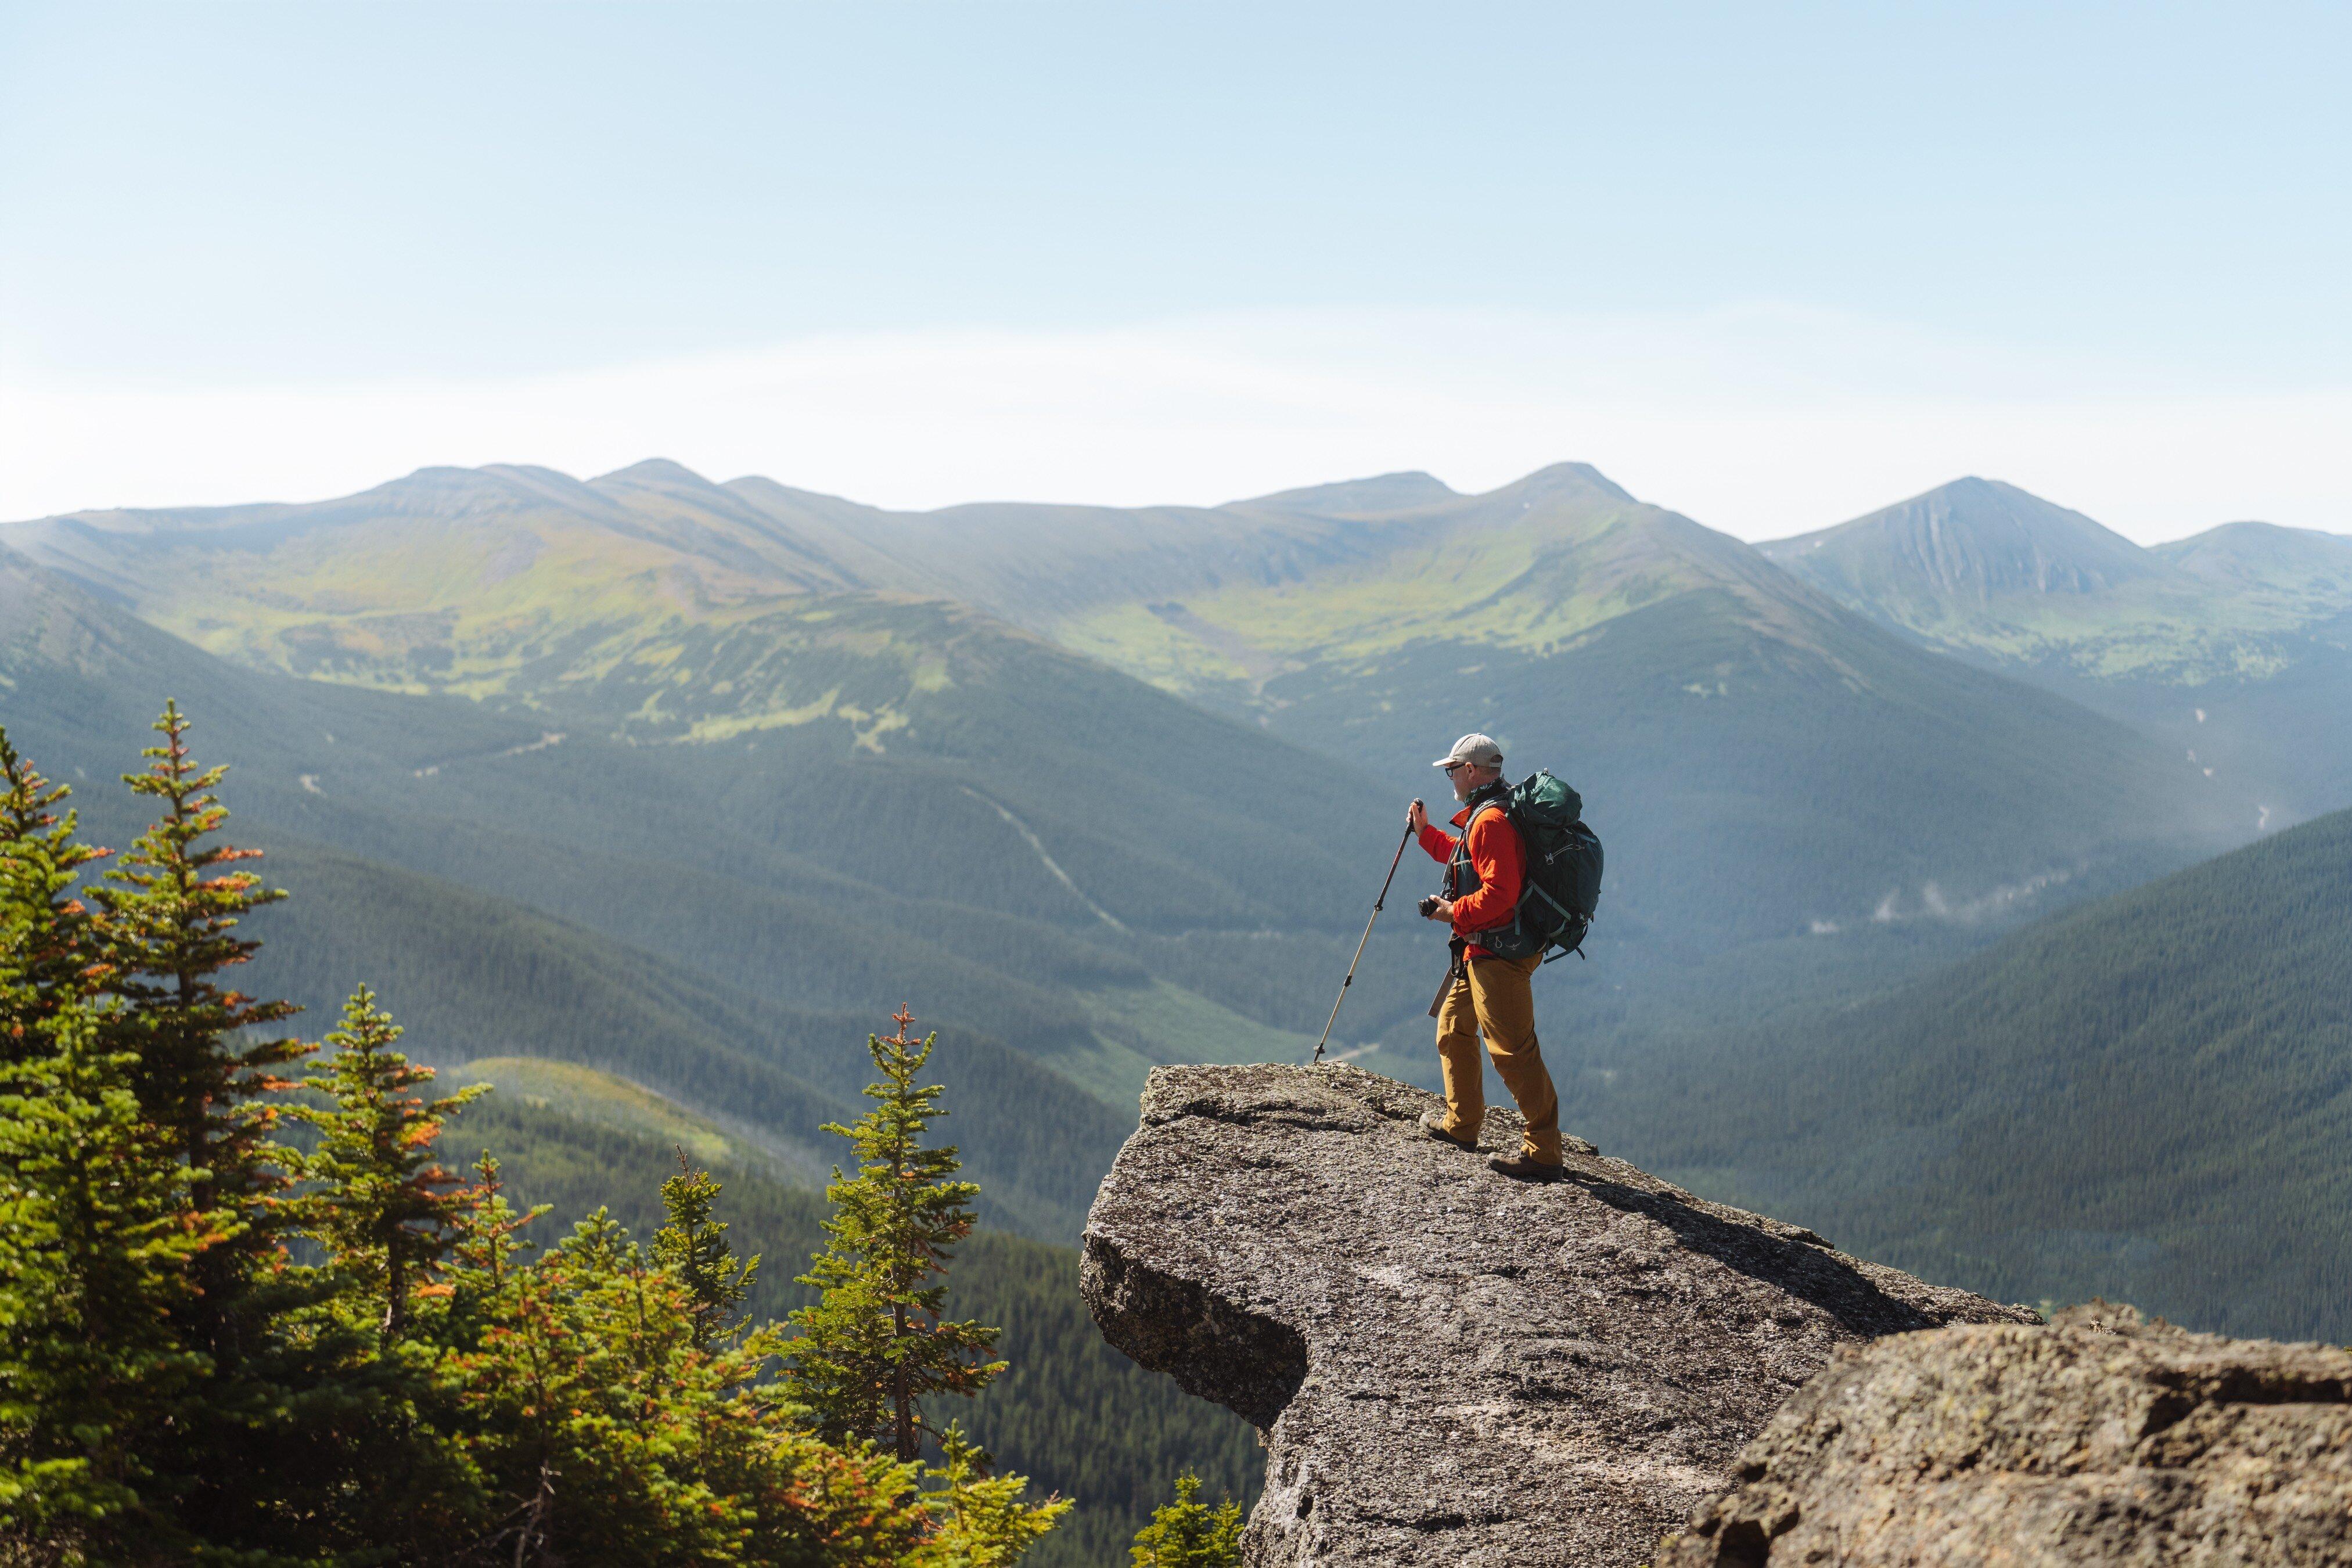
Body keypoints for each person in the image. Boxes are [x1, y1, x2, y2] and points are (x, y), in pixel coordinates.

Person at [1408, 732, 1565, 1182]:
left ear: (1472, 771)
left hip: (1500, 953)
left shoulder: (1491, 820)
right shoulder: (1491, 811)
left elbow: (1500, 893)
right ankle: (1462, 1126)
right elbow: (1464, 858)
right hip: (1483, 949)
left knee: (1513, 1051)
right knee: (1454, 1026)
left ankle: (1544, 1151)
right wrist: (1425, 834)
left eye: (1452, 770)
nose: (1450, 777)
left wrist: (1452, 912)